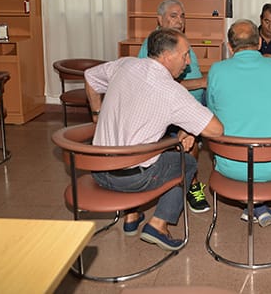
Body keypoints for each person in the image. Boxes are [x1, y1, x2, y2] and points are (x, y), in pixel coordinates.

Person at [85, 28, 224, 251]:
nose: (188, 62)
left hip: (98, 169)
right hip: (131, 179)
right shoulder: (171, 91)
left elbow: (90, 77)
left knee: (148, 151)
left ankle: (131, 215)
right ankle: (158, 225)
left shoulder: (125, 64)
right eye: (185, 55)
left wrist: (97, 113)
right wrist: (191, 129)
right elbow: (216, 130)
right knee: (186, 163)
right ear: (167, 56)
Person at [206, 19, 271, 227]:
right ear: (259, 44)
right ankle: (258, 206)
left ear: (230, 47)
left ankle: (254, 205)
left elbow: (212, 113)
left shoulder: (216, 71)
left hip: (232, 166)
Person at [137, 0, 210, 213]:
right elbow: (160, 85)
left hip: (192, 101)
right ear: (159, 19)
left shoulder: (179, 40)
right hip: (171, 108)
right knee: (191, 136)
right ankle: (192, 185)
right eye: (173, 16)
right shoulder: (154, 45)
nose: (180, 20)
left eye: (182, 16)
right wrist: (202, 82)